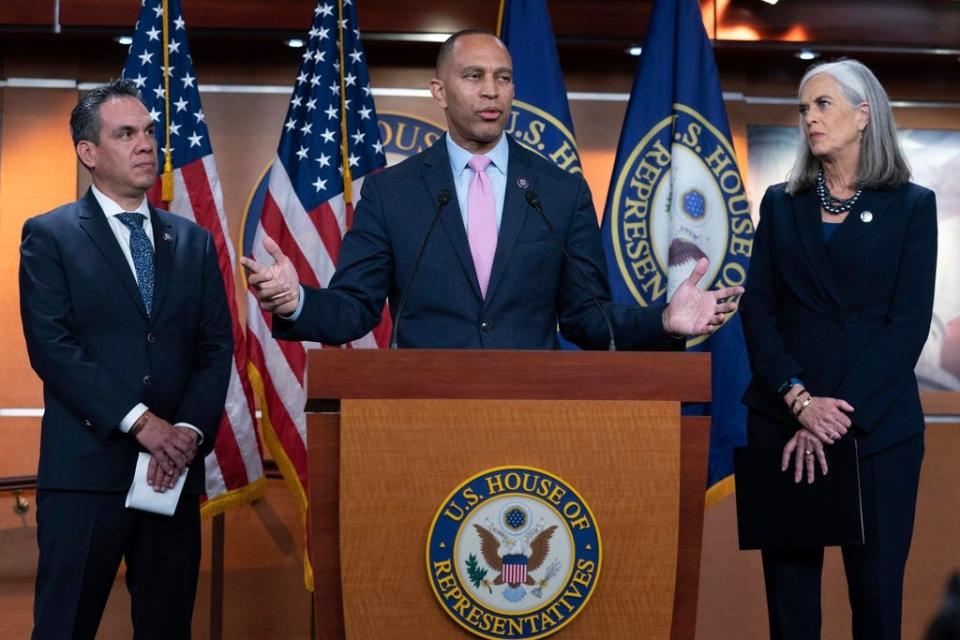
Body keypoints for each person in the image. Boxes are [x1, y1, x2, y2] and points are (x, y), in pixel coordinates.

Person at [243, 30, 741, 348]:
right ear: (439, 91)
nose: (491, 91)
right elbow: (353, 309)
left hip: (530, 413)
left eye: (503, 78)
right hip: (419, 414)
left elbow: (589, 319)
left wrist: (663, 322)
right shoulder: (392, 193)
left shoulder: (560, 192)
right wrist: (296, 302)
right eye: (474, 76)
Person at [19, 79, 233, 639]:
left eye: (149, 132)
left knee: (166, 628)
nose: (146, 144)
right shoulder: (51, 236)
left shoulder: (193, 241)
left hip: (171, 475)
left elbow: (215, 349)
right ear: (88, 153)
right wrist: (144, 424)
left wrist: (183, 431)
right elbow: (53, 347)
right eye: (126, 133)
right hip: (87, 475)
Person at [740, 58, 937, 639]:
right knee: (791, 608)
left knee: (876, 603)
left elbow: (906, 326)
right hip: (783, 423)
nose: (809, 118)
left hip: (877, 431)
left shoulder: (911, 205)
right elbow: (759, 309)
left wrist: (832, 414)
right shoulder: (781, 201)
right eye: (804, 108)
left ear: (863, 115)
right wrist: (801, 403)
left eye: (823, 104)